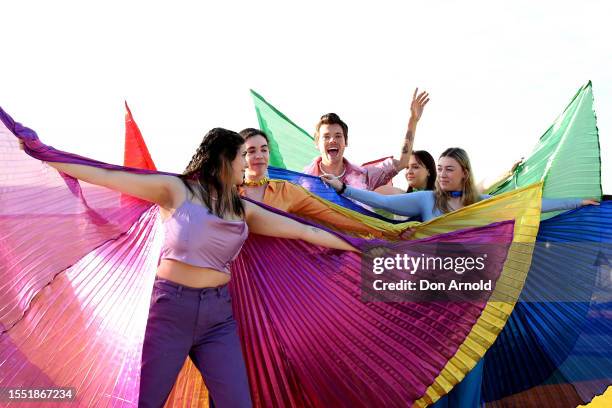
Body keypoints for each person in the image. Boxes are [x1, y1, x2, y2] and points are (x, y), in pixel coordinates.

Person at [24, 128, 356, 408]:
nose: (247, 164)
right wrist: (44, 152)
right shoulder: (176, 190)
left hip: (218, 319)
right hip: (170, 312)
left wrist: (365, 249)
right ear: (224, 158)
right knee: (144, 402)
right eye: (242, 156)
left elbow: (307, 231)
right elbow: (107, 174)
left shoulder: (243, 210)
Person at [322, 146, 599, 407]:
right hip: (431, 303)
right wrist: (343, 188)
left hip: (470, 303)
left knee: (469, 372)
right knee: (434, 375)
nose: (442, 175)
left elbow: (529, 206)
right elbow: (382, 201)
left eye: (449, 170)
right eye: (440, 169)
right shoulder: (427, 199)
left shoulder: (482, 205)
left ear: (464, 173)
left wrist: (576, 202)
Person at [238, 127, 411, 240]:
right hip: (236, 279)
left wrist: (388, 230)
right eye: (251, 151)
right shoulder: (226, 193)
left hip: (280, 277)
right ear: (240, 156)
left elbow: (334, 216)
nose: (259, 156)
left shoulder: (288, 190)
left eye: (264, 150)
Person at [303, 89, 429, 190]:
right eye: (326, 137)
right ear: (317, 143)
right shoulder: (303, 181)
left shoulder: (365, 176)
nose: (332, 140)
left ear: (346, 142)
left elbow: (402, 162)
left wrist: (413, 121)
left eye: (338, 136)